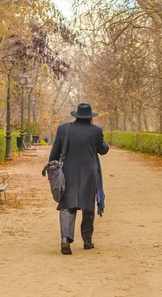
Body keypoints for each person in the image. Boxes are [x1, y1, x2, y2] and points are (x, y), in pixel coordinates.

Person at [48, 103, 109, 255]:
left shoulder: (64, 129)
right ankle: (87, 241)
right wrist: (103, 142)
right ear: (90, 117)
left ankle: (65, 239)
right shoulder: (96, 131)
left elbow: (54, 153)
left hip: (67, 173)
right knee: (88, 207)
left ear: (76, 115)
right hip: (89, 173)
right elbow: (103, 150)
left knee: (67, 206)